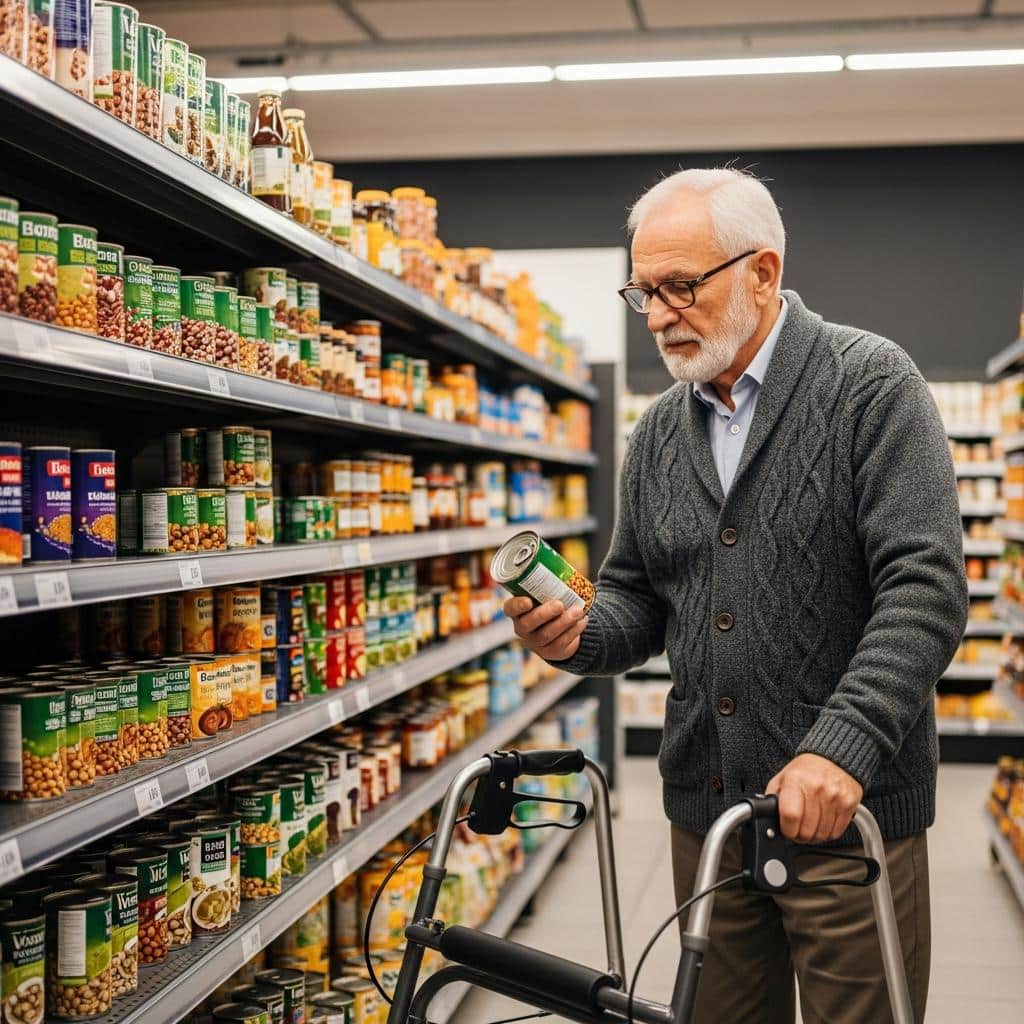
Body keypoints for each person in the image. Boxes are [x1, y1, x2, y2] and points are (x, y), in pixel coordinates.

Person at [504, 167, 967, 1024]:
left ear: (762, 272)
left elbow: (926, 589)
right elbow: (638, 596)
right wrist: (576, 634)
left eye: (680, 286)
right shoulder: (656, 433)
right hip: (710, 816)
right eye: (643, 290)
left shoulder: (870, 383)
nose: (656, 315)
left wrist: (843, 748)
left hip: (847, 812)